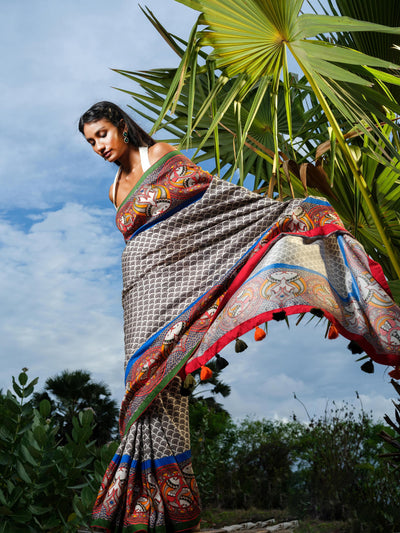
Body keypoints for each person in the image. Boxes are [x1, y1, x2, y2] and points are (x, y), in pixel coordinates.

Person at [79, 101, 400, 532]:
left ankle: (171, 506)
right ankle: (145, 501)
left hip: (182, 282)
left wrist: (284, 213)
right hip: (140, 294)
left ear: (121, 125)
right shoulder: (115, 189)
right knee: (143, 386)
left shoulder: (162, 156)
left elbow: (214, 203)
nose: (98, 146)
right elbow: (143, 238)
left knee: (170, 383)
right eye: (90, 142)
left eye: (101, 134)